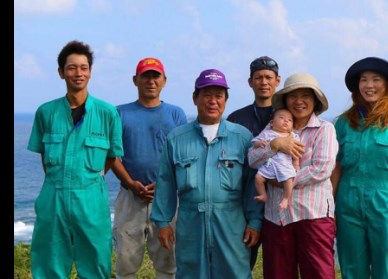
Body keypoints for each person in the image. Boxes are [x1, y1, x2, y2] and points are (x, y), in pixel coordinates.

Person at [150, 69, 263, 278]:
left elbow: (252, 186)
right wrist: (163, 223)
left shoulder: (242, 137)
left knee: (236, 274)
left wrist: (255, 222)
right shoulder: (176, 138)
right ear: (195, 98)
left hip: (231, 225)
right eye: (207, 95)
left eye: (219, 96)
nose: (213, 101)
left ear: (226, 100)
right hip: (190, 225)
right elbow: (165, 183)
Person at [27, 40, 124, 278]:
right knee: (48, 262)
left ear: (90, 71)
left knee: (95, 263)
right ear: (61, 73)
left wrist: (90, 178)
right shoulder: (46, 112)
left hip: (91, 198)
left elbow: (111, 156)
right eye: (71, 68)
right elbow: (43, 155)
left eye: (83, 67)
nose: (78, 73)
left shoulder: (107, 112)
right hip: (53, 197)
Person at [331, 57, 388, 279]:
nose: (368, 85)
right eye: (363, 80)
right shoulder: (343, 123)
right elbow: (336, 169)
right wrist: (329, 209)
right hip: (347, 204)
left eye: (376, 79)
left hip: (386, 204)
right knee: (352, 269)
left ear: (387, 84)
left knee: (387, 269)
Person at [248, 72, 338, 279]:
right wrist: (274, 145)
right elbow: (252, 159)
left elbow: (321, 169)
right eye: (292, 96)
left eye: (306, 95)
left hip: (313, 215)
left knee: (318, 273)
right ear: (285, 100)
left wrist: (278, 181)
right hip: (276, 217)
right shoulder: (271, 129)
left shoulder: (324, 129)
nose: (299, 101)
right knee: (277, 274)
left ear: (315, 100)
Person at [111, 57, 187, 279]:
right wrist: (130, 183)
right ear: (135, 80)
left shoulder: (175, 113)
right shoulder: (119, 113)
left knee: (168, 261)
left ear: (164, 80)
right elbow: (112, 154)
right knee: (126, 262)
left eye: (156, 76)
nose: (151, 81)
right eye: (146, 76)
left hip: (167, 198)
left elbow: (182, 156)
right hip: (129, 196)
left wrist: (165, 184)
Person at [227, 55, 281, 270]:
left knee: (278, 267)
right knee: (241, 263)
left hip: (279, 200)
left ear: (278, 80)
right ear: (250, 82)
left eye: (269, 77)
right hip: (245, 201)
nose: (264, 82)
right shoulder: (236, 119)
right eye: (258, 77)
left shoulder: (287, 117)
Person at [252, 108, 300, 211]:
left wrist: (296, 163)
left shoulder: (293, 136)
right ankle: (263, 194)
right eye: (282, 118)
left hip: (284, 165)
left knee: (288, 180)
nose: (286, 121)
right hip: (269, 164)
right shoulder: (267, 133)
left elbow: (296, 153)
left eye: (290, 120)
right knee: (258, 178)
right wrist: (259, 143)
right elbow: (255, 142)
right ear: (272, 123)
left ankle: (286, 199)